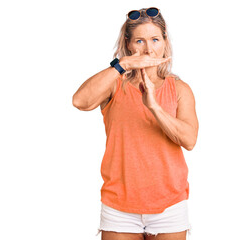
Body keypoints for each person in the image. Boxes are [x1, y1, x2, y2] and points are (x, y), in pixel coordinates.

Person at [72, 7, 199, 240]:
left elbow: (189, 140)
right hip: (119, 205)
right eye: (140, 40)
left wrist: (154, 107)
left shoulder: (180, 89)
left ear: (165, 42)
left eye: (155, 39)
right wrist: (124, 65)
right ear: (128, 44)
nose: (148, 48)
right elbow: (80, 101)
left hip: (169, 205)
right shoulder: (114, 83)